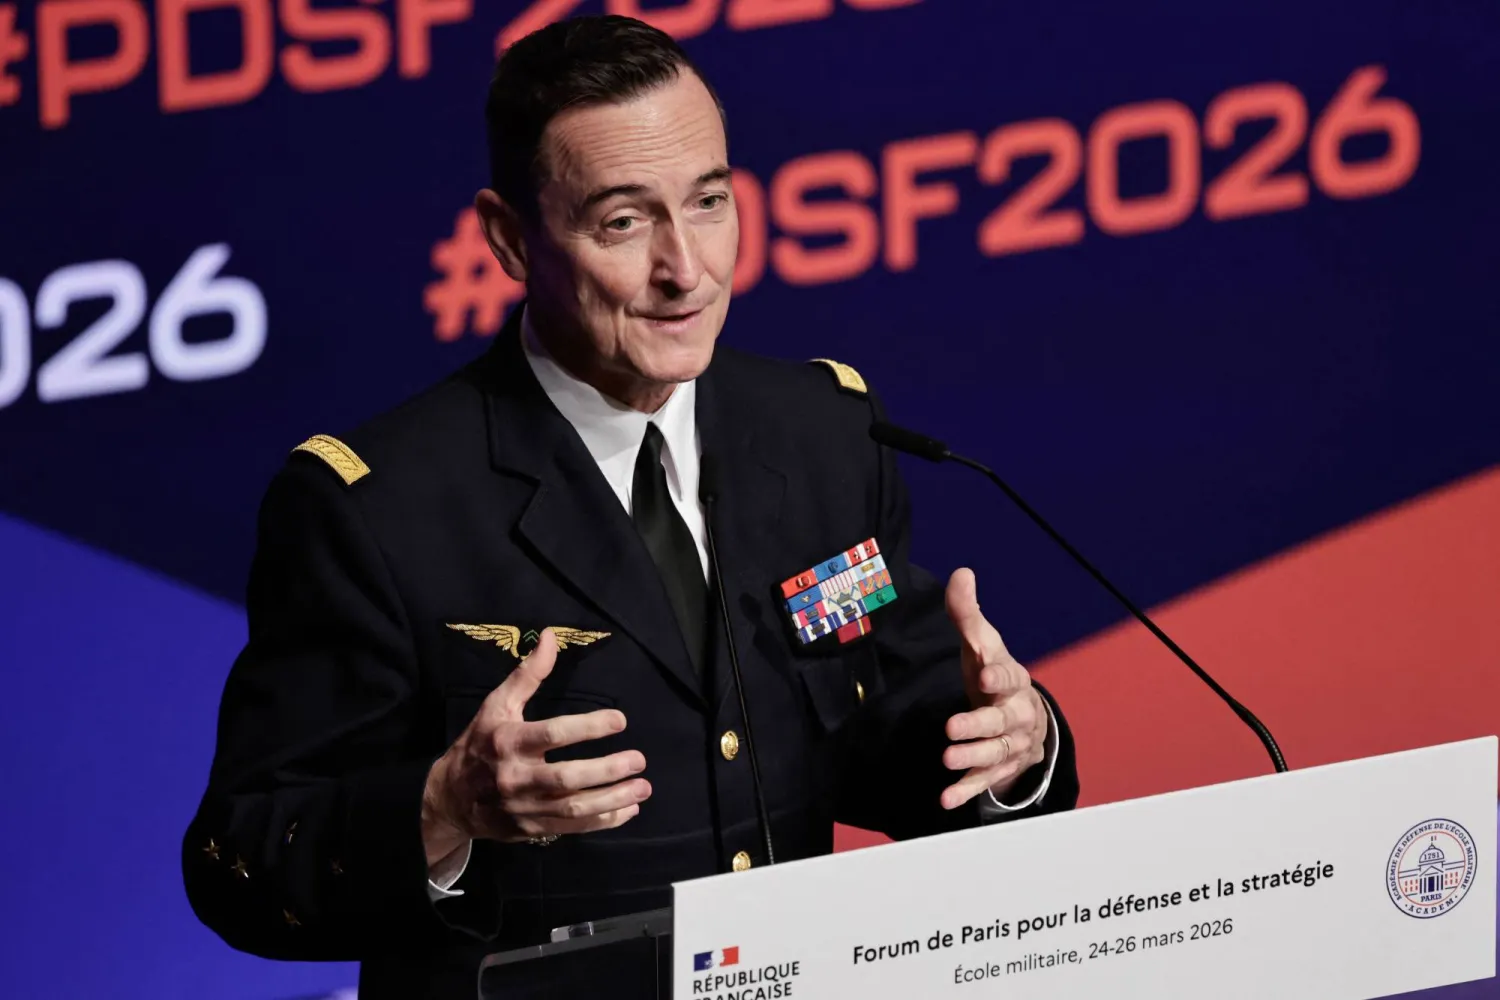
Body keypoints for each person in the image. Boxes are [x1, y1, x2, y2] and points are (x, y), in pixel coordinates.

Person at [182, 14, 1079, 998]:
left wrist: (1012, 747)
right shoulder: (377, 505)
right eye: (622, 220)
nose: (685, 269)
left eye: (708, 202)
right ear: (512, 240)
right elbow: (241, 862)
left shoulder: (820, 432)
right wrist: (442, 807)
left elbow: (877, 737)